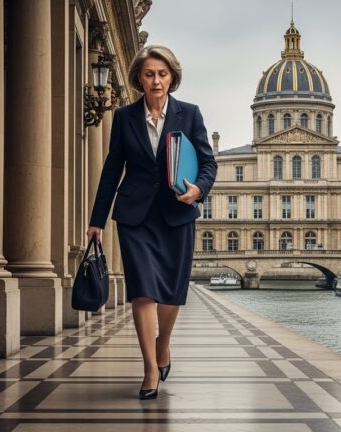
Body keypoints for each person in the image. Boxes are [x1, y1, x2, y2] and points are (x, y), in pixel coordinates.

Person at [86, 45, 217, 400]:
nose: (156, 80)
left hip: (177, 214)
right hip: (135, 217)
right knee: (143, 291)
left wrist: (197, 191)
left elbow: (208, 164)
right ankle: (148, 369)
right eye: (149, 74)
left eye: (162, 74)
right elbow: (112, 170)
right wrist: (96, 220)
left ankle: (164, 345)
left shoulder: (189, 114)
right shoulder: (125, 117)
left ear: (172, 77)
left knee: (171, 296)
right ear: (139, 79)